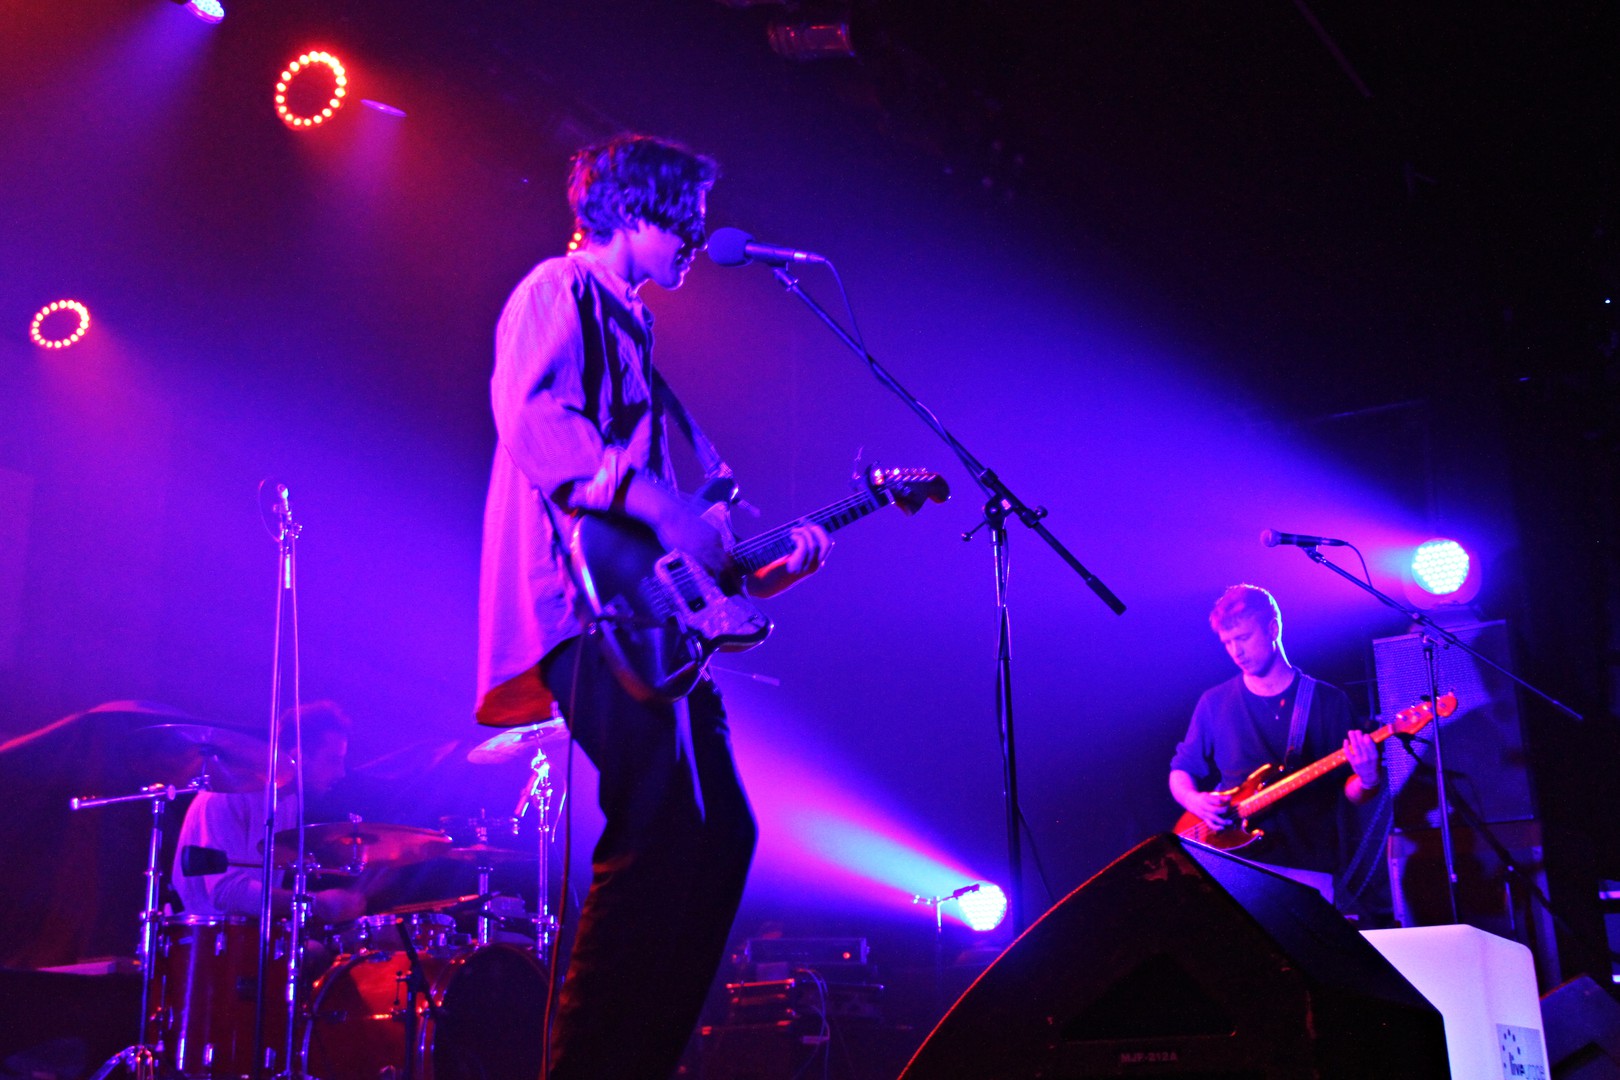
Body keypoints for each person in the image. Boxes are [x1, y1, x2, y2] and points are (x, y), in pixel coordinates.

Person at [475, 134, 832, 1080]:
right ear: (635, 212)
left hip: (648, 619)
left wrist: (754, 565)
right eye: (687, 220)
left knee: (722, 837)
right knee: (654, 822)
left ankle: (641, 1060)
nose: (698, 240)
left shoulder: (635, 327)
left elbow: (678, 532)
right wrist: (656, 500)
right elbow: (532, 419)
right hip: (581, 607)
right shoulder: (558, 289)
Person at [1169, 584, 1382, 901]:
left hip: (1309, 867)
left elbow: (1352, 792)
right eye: (1227, 643)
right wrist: (1193, 800)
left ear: (1273, 629)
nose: (1236, 652)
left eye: (1243, 638)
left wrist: (1368, 778)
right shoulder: (1214, 702)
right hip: (1236, 866)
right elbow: (1181, 770)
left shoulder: (1328, 701)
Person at [170, 701, 366, 924]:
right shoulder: (224, 795)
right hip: (204, 939)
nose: (341, 773)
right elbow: (225, 892)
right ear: (298, 756)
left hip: (250, 934)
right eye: (333, 761)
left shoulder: (288, 801)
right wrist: (315, 903)